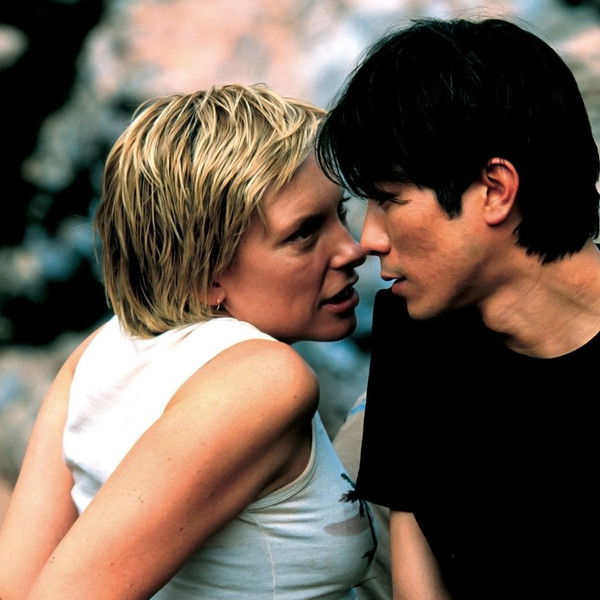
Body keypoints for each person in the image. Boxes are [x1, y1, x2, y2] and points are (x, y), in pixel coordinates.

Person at [0, 84, 377, 600]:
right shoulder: (264, 378)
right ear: (204, 276)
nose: (352, 249)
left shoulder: (98, 352)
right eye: (303, 234)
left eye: (340, 213)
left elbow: (14, 584)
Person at [316, 17, 600, 600]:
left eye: (389, 200)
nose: (368, 239)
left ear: (495, 190)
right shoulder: (416, 329)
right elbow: (417, 562)